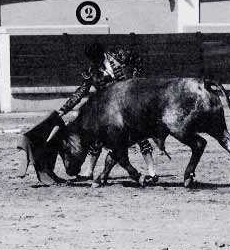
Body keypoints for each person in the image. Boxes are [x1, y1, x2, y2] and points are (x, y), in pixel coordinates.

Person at [57, 42, 159, 184]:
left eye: (96, 59)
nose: (95, 63)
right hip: (108, 111)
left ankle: (152, 172)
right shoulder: (92, 71)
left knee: (140, 136)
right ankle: (89, 172)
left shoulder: (120, 57)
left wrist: (136, 82)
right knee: (98, 139)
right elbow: (81, 91)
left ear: (101, 55)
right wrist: (64, 109)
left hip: (128, 104)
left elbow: (139, 60)